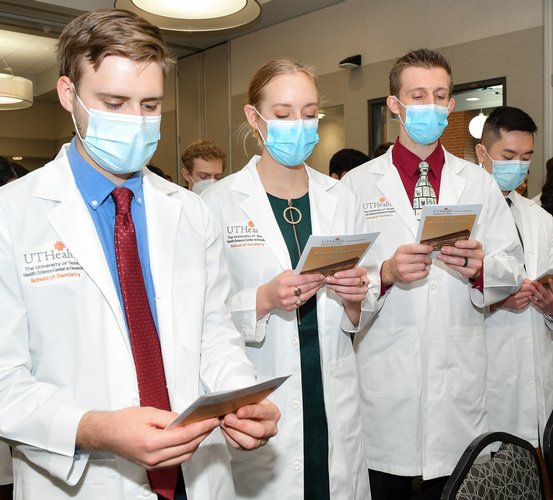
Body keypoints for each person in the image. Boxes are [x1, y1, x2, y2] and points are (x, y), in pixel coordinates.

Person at [0, 9, 279, 500]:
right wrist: (94, 428)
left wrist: (239, 398)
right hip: (81, 479)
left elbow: (213, 331)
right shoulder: (13, 215)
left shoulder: (190, 212)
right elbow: (4, 381)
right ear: (69, 94)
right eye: (114, 103)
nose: (136, 122)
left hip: (198, 471)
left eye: (150, 105)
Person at [342, 48, 524, 500]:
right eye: (417, 95)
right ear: (395, 105)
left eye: (439, 96)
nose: (429, 105)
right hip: (386, 384)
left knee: (455, 485)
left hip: (456, 386)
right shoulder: (358, 185)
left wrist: (481, 271)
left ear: (450, 106)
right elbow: (341, 284)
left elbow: (512, 268)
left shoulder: (478, 181)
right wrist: (383, 274)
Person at [202, 59, 376, 500]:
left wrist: (357, 295)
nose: (298, 125)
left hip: (333, 391)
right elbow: (201, 314)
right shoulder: (215, 204)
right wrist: (261, 299)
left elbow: (359, 305)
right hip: (262, 388)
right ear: (254, 117)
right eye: (282, 114)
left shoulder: (341, 196)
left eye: (308, 112)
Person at [476, 106, 553, 459]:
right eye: (508, 156)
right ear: (483, 153)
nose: (518, 166)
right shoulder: (461, 215)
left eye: (526, 158)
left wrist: (549, 305)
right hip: (486, 372)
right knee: (485, 475)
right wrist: (495, 301)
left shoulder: (539, 218)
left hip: (536, 369)